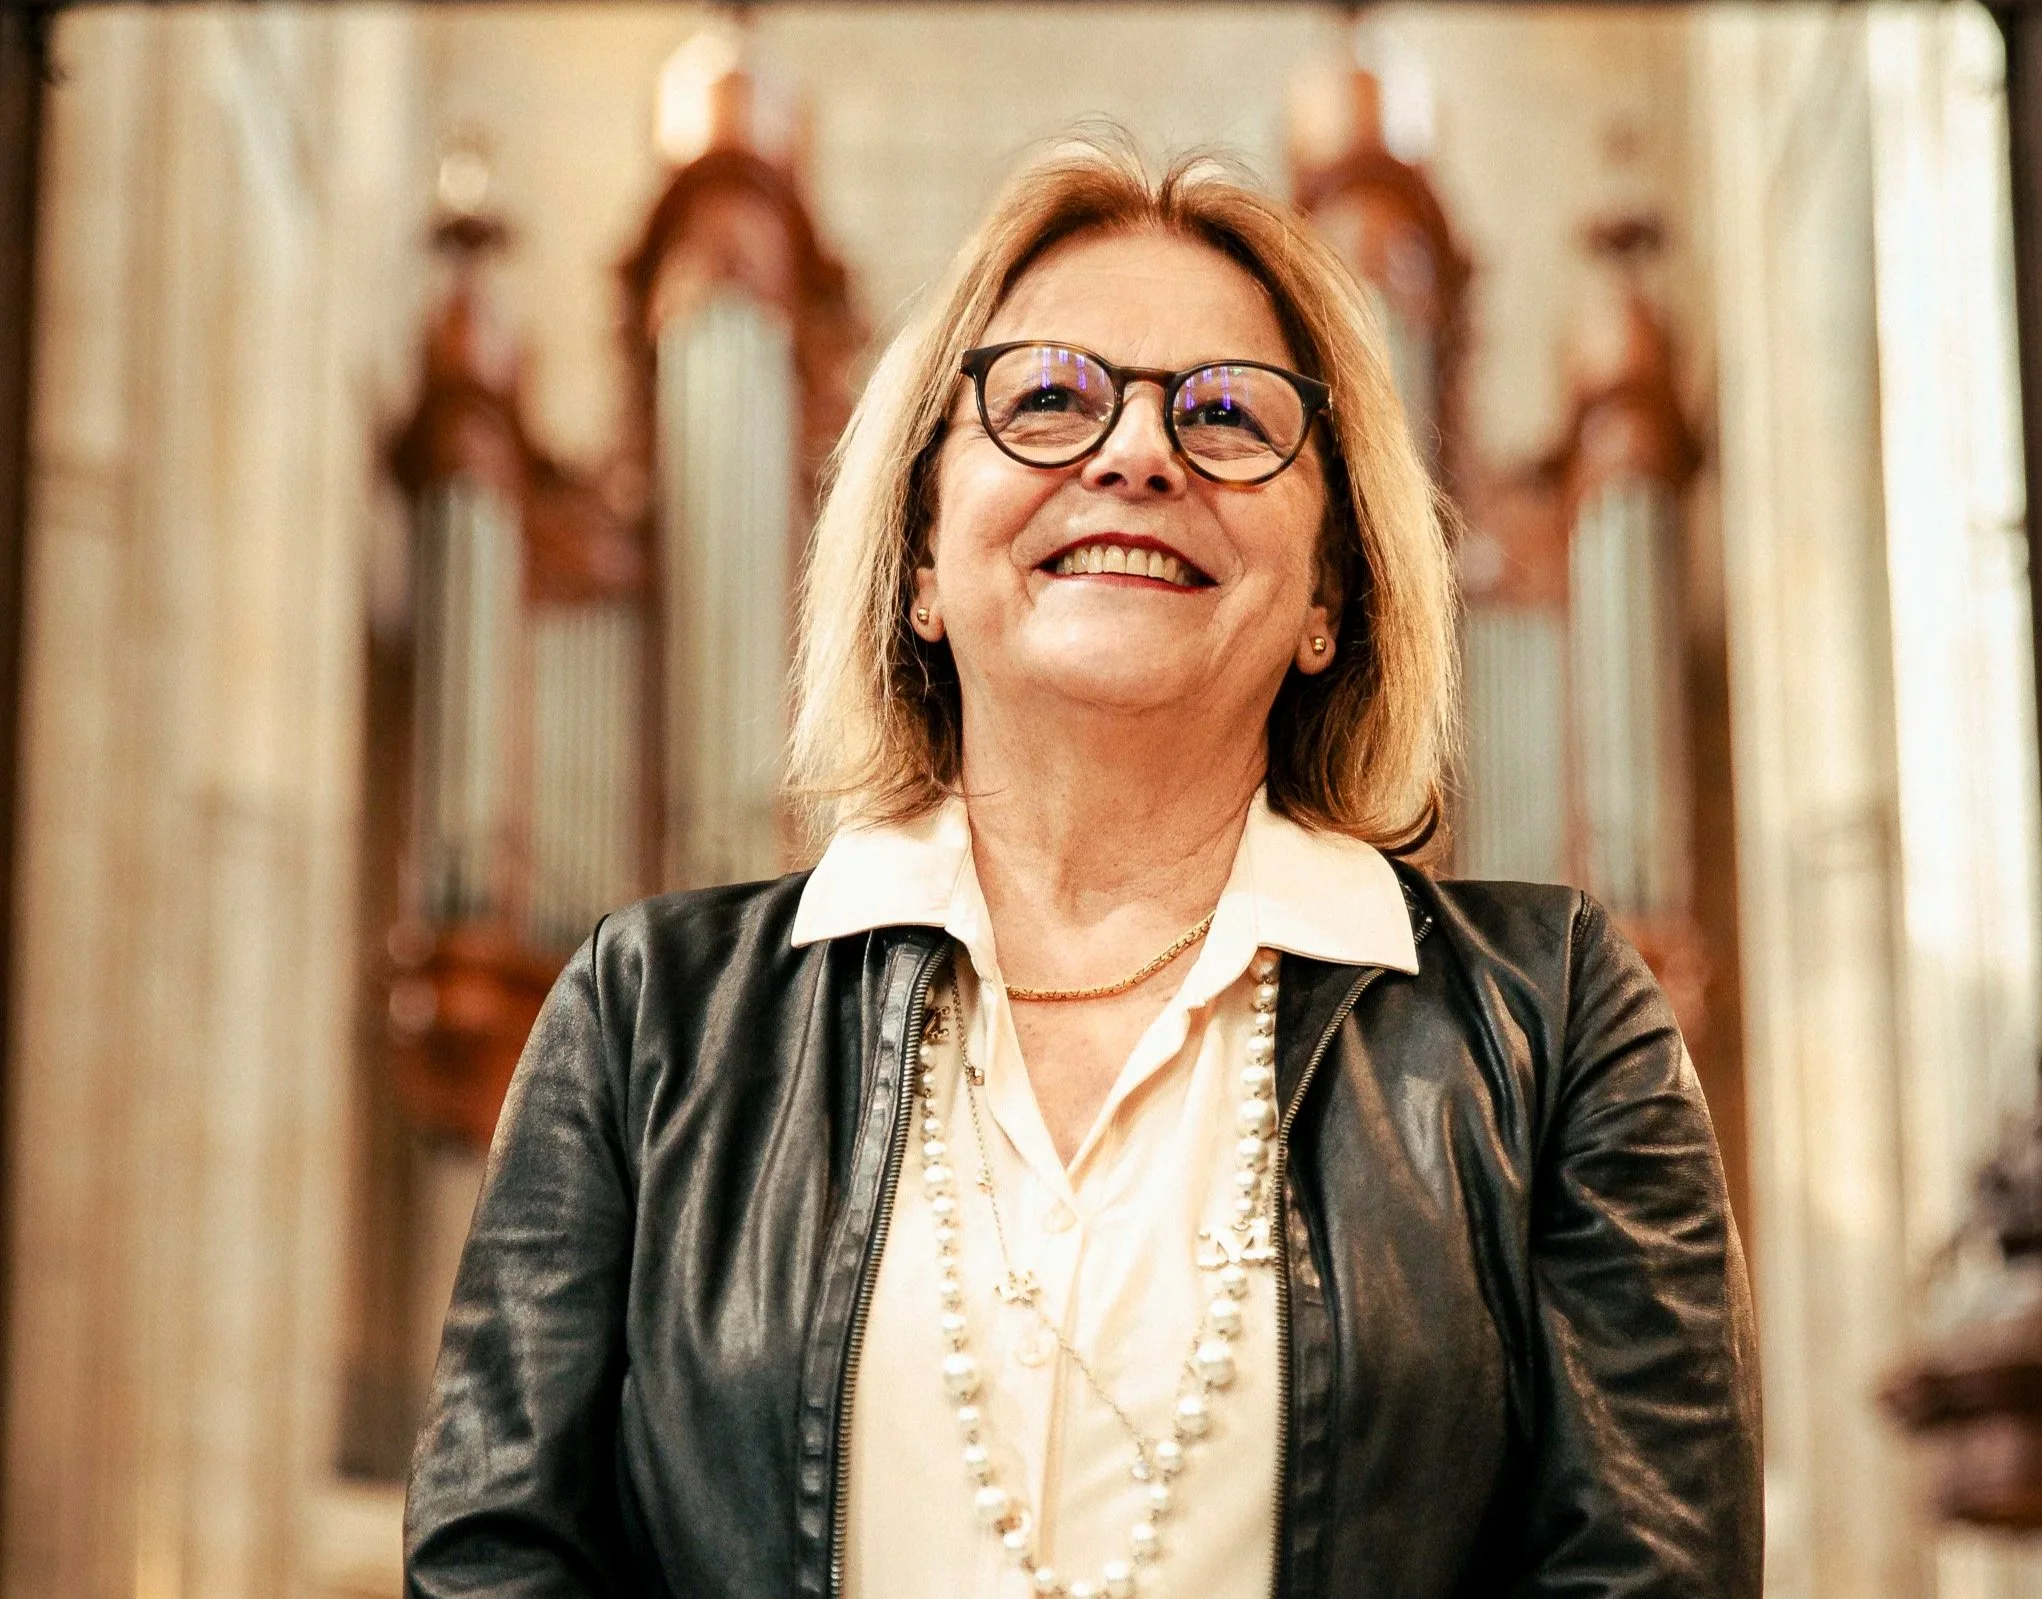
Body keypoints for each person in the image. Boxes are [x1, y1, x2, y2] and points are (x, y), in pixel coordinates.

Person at [404, 142, 1761, 1599]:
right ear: (919, 556)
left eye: (1230, 414)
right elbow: (499, 1564)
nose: (1136, 453)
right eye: (1047, 396)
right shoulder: (643, 1019)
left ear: (1331, 592)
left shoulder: (1546, 1029)